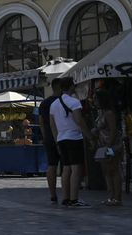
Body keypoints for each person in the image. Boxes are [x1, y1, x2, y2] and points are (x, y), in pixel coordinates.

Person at [49, 78, 91, 207]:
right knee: (76, 168)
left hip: (61, 138)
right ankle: (74, 198)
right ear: (72, 86)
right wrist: (89, 135)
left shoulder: (54, 104)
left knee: (66, 168)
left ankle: (66, 198)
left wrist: (57, 141)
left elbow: (52, 125)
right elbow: (79, 120)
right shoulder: (74, 102)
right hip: (74, 137)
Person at [93, 90, 123, 207]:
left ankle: (117, 197)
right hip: (102, 145)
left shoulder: (109, 113)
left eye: (96, 99)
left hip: (111, 146)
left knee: (114, 170)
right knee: (106, 171)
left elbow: (113, 130)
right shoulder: (101, 113)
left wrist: (109, 146)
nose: (94, 101)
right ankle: (110, 196)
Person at [39, 79, 63, 204]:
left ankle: (53, 195)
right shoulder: (62, 101)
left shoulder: (44, 103)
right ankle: (68, 194)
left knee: (51, 165)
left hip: (49, 137)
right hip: (62, 136)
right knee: (67, 167)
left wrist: (45, 136)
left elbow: (41, 122)